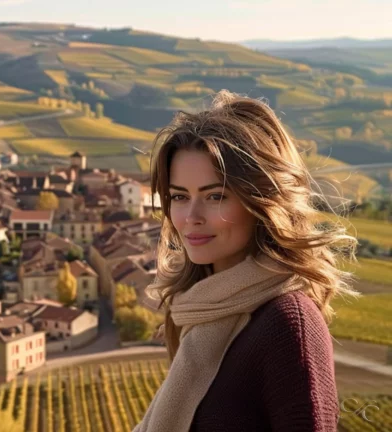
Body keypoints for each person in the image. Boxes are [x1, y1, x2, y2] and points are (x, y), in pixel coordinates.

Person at [132, 90, 360, 432]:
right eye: (179, 196)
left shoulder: (288, 327)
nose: (191, 216)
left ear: (261, 202)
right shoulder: (201, 310)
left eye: (215, 196)